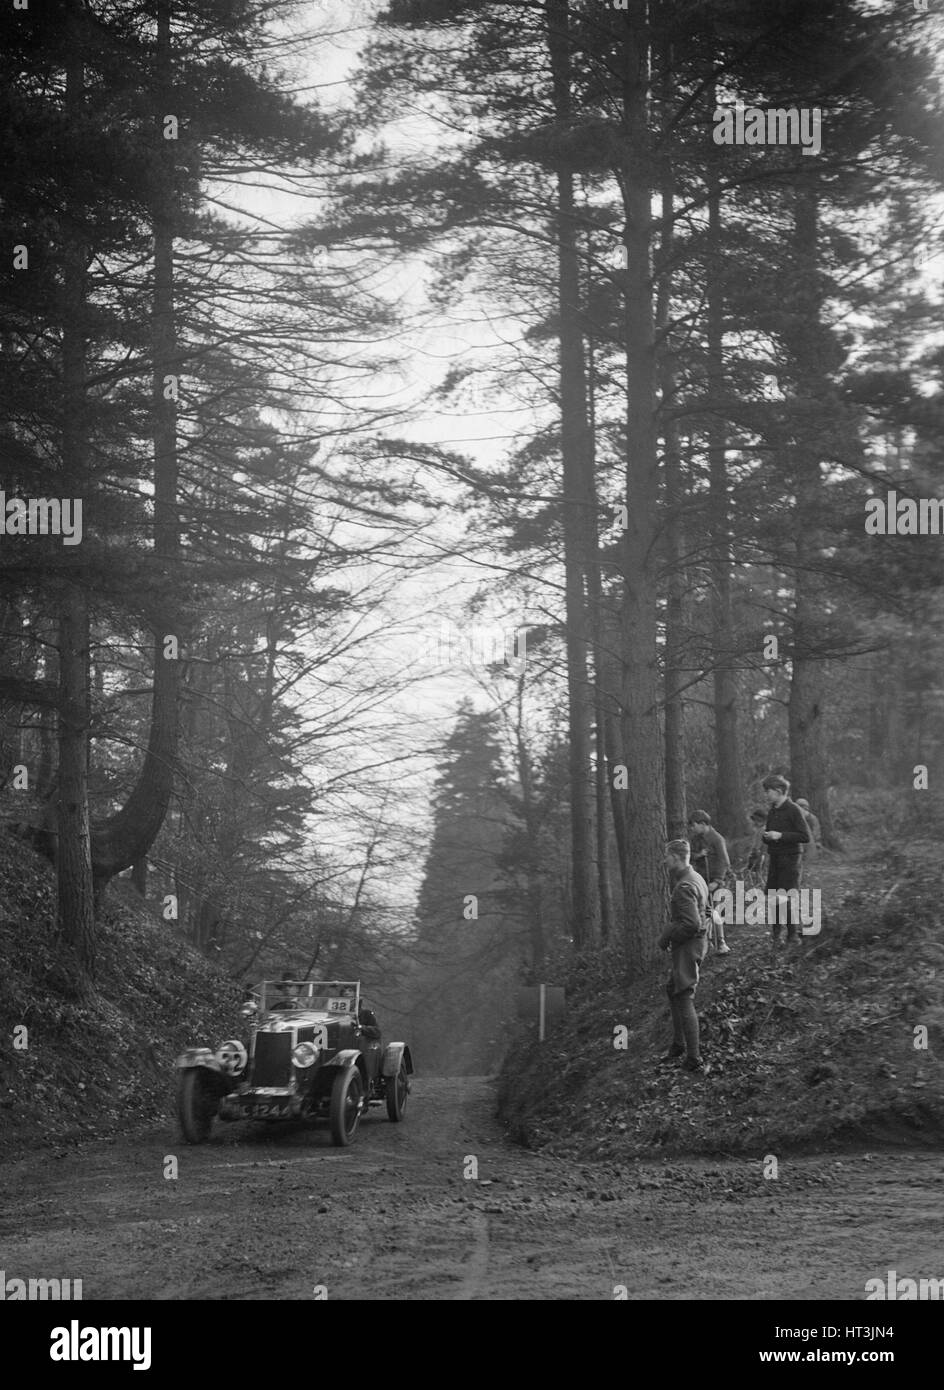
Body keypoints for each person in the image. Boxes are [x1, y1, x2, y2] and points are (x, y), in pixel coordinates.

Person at [658, 839, 710, 1073]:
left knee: (684, 995)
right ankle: (679, 1044)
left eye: (667, 857)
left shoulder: (684, 887)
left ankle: (694, 1058)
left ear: (677, 858)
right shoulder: (696, 877)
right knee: (673, 988)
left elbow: (690, 924)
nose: (665, 860)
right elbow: (704, 912)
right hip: (695, 943)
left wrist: (670, 937)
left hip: (689, 946)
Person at [762, 775, 810, 943]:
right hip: (775, 859)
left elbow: (805, 836)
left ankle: (792, 935)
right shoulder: (773, 811)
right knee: (773, 896)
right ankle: (776, 934)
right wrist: (767, 836)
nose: (766, 795)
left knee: (786, 897)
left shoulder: (794, 809)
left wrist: (780, 835)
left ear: (778, 791)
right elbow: (769, 834)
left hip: (790, 860)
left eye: (768, 792)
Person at [688, 810, 732, 953]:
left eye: (694, 825)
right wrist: (699, 855)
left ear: (702, 824)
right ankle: (708, 942)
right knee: (704, 911)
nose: (692, 828)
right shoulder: (696, 839)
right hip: (701, 880)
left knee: (715, 911)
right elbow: (689, 857)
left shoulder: (717, 839)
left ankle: (721, 943)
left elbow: (725, 861)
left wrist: (718, 881)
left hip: (715, 881)